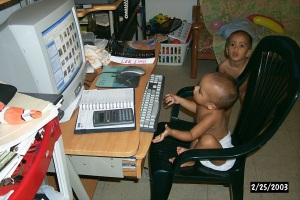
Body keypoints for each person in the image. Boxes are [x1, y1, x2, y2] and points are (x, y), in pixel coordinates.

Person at [152, 72, 239, 171]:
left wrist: (171, 132)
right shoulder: (208, 106)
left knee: (206, 138)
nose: (195, 88)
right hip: (209, 143)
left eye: (200, 91)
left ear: (211, 106)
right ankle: (192, 151)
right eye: (198, 85)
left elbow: (190, 135)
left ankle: (191, 159)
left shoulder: (212, 117)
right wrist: (179, 100)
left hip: (221, 155)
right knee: (201, 135)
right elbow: (196, 108)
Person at [218, 30, 253, 103]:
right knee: (224, 106)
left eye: (241, 45)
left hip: (244, 90)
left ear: (248, 53)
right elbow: (221, 82)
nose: (236, 48)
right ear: (227, 50)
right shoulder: (223, 66)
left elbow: (255, 79)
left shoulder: (251, 65)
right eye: (232, 44)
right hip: (230, 90)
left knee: (248, 103)